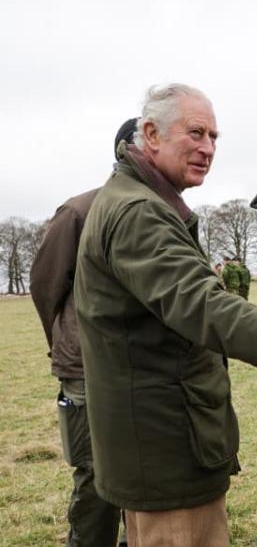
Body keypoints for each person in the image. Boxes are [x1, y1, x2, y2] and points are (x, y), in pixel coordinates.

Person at [73, 83, 257, 547]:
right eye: (196, 133)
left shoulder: (136, 200)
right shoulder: (138, 212)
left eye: (214, 137)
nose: (208, 148)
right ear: (150, 133)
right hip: (167, 451)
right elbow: (201, 302)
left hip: (156, 442)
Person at [30, 117, 137, 547]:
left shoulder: (162, 212)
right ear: (123, 150)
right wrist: (67, 347)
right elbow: (45, 285)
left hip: (141, 366)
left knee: (142, 469)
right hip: (87, 370)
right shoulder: (79, 210)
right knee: (95, 472)